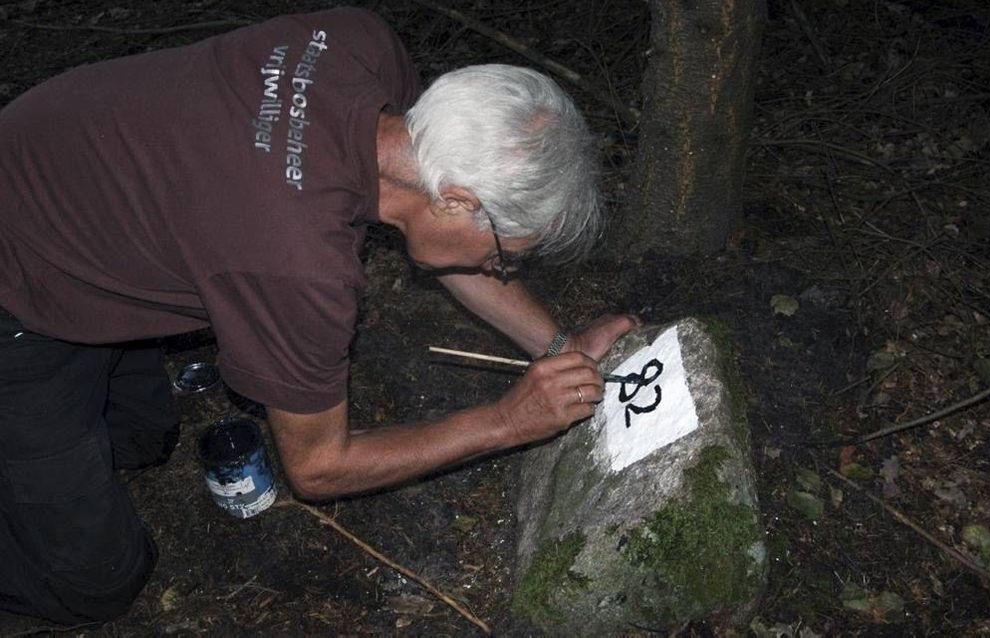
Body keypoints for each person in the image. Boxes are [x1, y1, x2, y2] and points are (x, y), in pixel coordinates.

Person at [0, 7, 635, 624]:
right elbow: (318, 468)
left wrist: (556, 346)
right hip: (19, 287)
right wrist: (506, 421)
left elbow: (451, 244)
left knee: (140, 441)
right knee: (96, 584)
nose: (501, 270)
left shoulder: (358, 44)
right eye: (505, 255)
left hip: (66, 173)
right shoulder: (298, 265)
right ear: (457, 201)